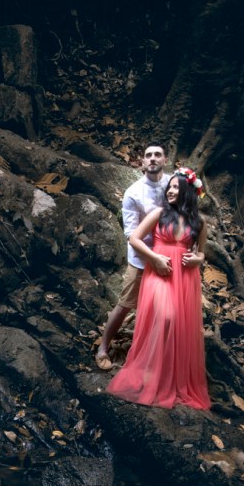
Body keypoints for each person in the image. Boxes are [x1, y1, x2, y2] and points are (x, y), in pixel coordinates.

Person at [106, 167, 211, 410]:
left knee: (179, 325)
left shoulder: (199, 222)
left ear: (188, 192)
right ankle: (148, 372)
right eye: (169, 187)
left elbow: (202, 252)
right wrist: (154, 258)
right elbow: (134, 238)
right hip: (160, 272)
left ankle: (168, 376)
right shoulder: (159, 213)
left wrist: (197, 259)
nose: (170, 191)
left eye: (175, 187)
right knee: (166, 317)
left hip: (185, 277)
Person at [96, 143, 169, 370]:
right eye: (148, 155)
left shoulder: (173, 184)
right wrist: (154, 258)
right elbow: (131, 234)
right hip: (142, 259)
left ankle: (160, 354)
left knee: (165, 308)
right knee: (125, 304)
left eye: (157, 155)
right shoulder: (134, 193)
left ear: (165, 160)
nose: (153, 158)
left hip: (169, 257)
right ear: (142, 162)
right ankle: (103, 347)